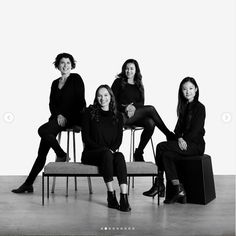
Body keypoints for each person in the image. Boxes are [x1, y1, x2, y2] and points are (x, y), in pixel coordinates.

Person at [12, 53, 86, 194]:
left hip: (74, 117)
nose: (65, 65)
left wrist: (65, 116)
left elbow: (80, 102)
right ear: (58, 65)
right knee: (42, 151)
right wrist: (58, 115)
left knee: (43, 131)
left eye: (68, 63)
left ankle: (61, 154)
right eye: (62, 63)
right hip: (57, 119)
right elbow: (52, 104)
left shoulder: (76, 78)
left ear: (72, 65)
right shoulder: (54, 83)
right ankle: (29, 183)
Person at [143, 77, 206, 204]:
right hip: (184, 142)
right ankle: (178, 189)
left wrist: (183, 141)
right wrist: (179, 138)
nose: (187, 91)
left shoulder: (200, 107)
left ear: (196, 89)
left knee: (161, 147)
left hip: (195, 145)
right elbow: (177, 130)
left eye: (190, 88)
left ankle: (159, 183)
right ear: (181, 91)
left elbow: (195, 130)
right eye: (184, 89)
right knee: (166, 155)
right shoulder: (184, 107)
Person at [111, 59, 175, 162]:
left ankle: (139, 152)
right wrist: (126, 108)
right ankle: (168, 134)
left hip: (135, 115)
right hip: (121, 116)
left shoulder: (138, 84)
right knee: (151, 109)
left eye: (132, 68)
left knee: (150, 122)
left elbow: (141, 104)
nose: (129, 71)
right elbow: (112, 102)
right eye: (127, 68)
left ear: (136, 70)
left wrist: (133, 107)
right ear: (123, 70)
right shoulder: (118, 82)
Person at [81, 84, 131, 212]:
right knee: (107, 154)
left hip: (109, 154)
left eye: (105, 95)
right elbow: (86, 138)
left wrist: (111, 150)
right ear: (96, 97)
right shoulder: (89, 113)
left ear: (111, 97)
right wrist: (105, 151)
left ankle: (124, 197)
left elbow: (118, 140)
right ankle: (111, 194)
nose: (102, 98)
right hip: (91, 153)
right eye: (99, 96)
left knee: (119, 156)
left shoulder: (118, 116)